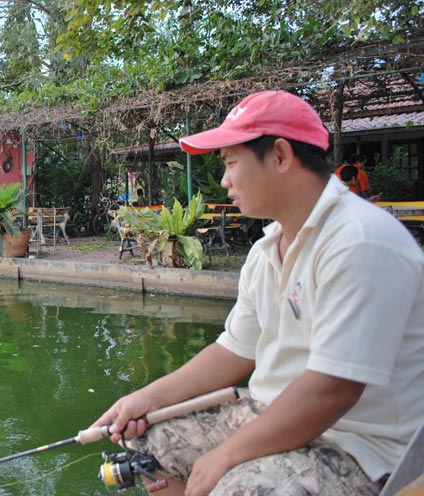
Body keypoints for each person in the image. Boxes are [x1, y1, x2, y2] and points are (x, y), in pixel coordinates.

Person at [91, 90, 424, 496]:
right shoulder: (268, 248)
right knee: (145, 442)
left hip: (358, 446)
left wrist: (227, 455)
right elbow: (234, 350)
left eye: (232, 163)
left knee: (237, 486)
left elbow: (333, 388)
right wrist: (145, 397)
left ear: (281, 156)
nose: (226, 180)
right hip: (265, 412)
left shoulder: (360, 241)